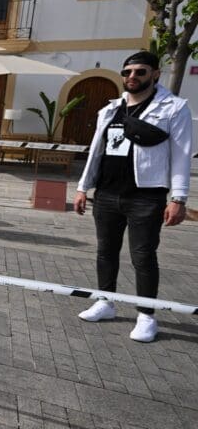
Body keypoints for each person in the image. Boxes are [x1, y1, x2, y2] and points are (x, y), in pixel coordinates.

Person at [74, 51, 192, 343]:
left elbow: (181, 156)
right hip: (107, 193)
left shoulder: (173, 108)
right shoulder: (110, 109)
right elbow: (95, 153)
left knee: (143, 257)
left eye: (140, 72)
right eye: (127, 72)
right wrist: (82, 187)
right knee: (105, 252)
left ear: (155, 74)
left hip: (146, 197)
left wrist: (179, 197)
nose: (132, 77)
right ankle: (105, 301)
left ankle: (146, 315)